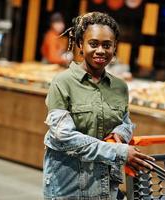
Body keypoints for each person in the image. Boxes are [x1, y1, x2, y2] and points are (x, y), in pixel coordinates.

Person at [43, 12, 155, 199]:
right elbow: (64, 136)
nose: (101, 51)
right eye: (93, 44)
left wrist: (120, 133)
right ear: (80, 44)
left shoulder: (119, 87)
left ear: (114, 47)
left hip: (105, 186)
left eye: (107, 45)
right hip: (69, 187)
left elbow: (126, 122)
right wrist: (118, 151)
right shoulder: (62, 83)